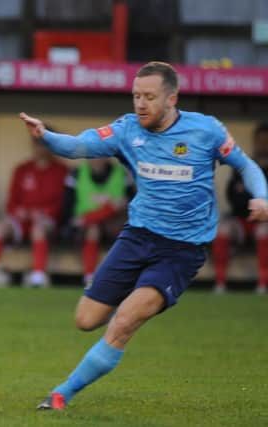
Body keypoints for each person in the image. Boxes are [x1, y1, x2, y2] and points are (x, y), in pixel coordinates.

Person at [19, 61, 268, 411]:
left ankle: (62, 393)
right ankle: (131, 308)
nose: (140, 104)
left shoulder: (206, 131)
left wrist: (262, 196)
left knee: (123, 321)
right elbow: (79, 145)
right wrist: (46, 135)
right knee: (85, 320)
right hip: (136, 239)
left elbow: (246, 165)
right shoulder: (127, 131)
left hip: (181, 251)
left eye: (149, 97)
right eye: (136, 96)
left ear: (172, 99)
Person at [0, 134, 68, 287]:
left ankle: (38, 276)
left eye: (44, 144)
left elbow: (63, 204)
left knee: (38, 229)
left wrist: (43, 213)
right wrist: (19, 212)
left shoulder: (61, 171)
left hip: (46, 220)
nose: (40, 148)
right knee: (0, 227)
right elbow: (12, 201)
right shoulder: (22, 169)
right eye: (37, 144)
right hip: (21, 220)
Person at [212, 123, 268, 295]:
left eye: (266, 141)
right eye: (260, 140)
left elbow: (244, 196)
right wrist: (248, 200)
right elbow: (233, 196)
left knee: (264, 231)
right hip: (241, 219)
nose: (263, 145)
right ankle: (220, 284)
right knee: (223, 229)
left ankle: (262, 285)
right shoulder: (245, 167)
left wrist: (248, 196)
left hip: (264, 221)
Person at [60, 157, 133, 287]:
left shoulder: (120, 173)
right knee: (93, 229)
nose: (97, 158)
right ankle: (90, 277)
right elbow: (68, 209)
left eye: (100, 154)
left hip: (114, 223)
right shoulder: (77, 173)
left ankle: (127, 278)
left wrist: (114, 208)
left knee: (127, 230)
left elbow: (131, 203)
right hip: (83, 227)